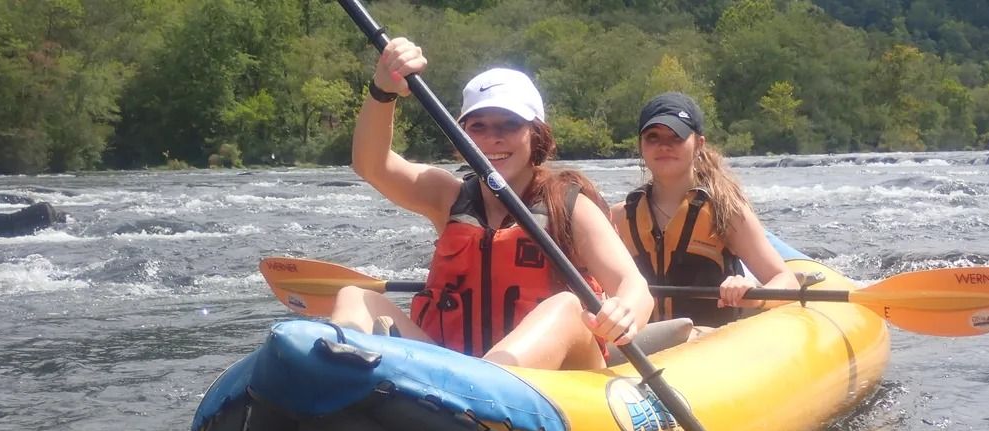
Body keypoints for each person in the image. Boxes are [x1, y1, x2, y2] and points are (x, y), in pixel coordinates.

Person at [329, 38, 653, 370]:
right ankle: (333, 385)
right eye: (478, 127)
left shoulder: (569, 206)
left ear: (535, 134)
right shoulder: (449, 196)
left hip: (557, 381)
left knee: (568, 307)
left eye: (508, 125)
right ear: (463, 135)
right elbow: (371, 164)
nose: (492, 138)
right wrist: (384, 90)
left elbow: (634, 286)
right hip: (452, 372)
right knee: (356, 298)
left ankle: (482, 385)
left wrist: (624, 312)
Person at [610, 92, 798, 328]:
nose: (664, 145)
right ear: (641, 146)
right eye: (653, 137)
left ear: (699, 144)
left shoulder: (726, 212)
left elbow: (786, 280)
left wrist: (752, 293)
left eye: (676, 136)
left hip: (708, 342)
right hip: (644, 344)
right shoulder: (619, 217)